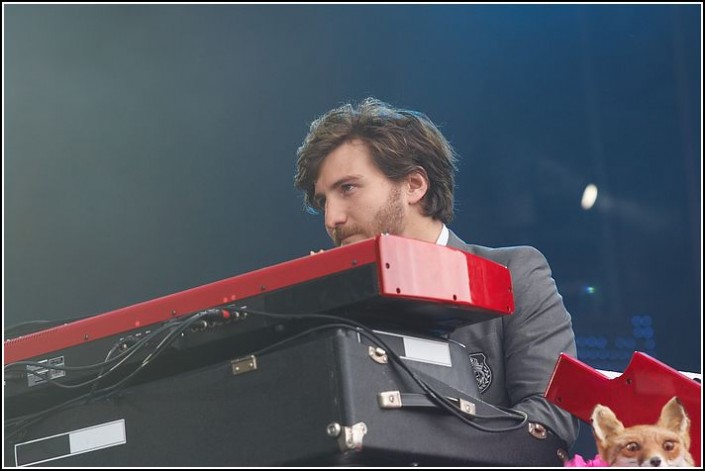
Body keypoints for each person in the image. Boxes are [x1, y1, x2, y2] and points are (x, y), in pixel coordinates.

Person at [294, 97, 580, 449]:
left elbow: (551, 422)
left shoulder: (515, 272)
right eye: (323, 201)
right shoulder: (332, 303)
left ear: (414, 185)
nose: (331, 219)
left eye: (348, 188)